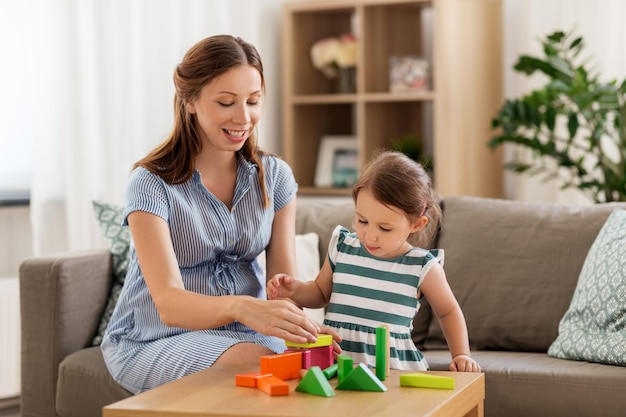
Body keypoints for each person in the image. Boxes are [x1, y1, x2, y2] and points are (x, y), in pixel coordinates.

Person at [101, 34, 340, 394]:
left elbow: (282, 287)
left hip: (247, 334)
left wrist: (300, 329)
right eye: (226, 102)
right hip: (154, 337)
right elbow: (168, 303)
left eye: (254, 101)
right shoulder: (150, 183)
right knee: (254, 362)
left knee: (314, 365)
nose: (244, 118)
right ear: (191, 101)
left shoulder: (274, 178)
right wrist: (243, 307)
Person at [268, 150, 481, 373]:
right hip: (336, 362)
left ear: (416, 224)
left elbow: (448, 311)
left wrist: (461, 355)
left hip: (392, 369)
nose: (370, 235)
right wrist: (293, 290)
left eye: (384, 228)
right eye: (362, 220)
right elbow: (320, 293)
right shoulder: (343, 247)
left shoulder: (422, 267)